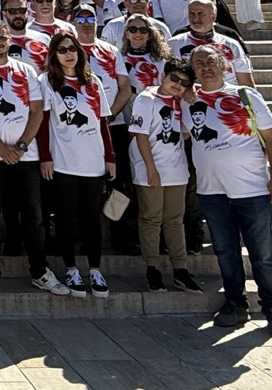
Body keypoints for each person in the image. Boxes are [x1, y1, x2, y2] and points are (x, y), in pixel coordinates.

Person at [187, 45, 272, 339]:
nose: (205, 67)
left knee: (262, 254)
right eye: (198, 63)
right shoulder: (186, 100)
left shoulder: (246, 95)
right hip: (212, 191)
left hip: (252, 189)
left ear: (224, 65)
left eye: (210, 61)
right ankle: (235, 304)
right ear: (192, 70)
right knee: (225, 252)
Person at [37, 33, 115, 298]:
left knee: (91, 218)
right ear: (54, 54)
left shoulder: (93, 82)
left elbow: (102, 122)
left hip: (93, 162)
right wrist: (45, 156)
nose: (68, 54)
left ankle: (95, 269)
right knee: (66, 217)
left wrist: (110, 156)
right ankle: (70, 268)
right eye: (62, 50)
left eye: (72, 49)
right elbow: (42, 123)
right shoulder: (47, 82)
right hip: (63, 163)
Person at [128, 58, 201, 293]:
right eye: (174, 78)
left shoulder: (183, 100)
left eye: (184, 83)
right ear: (163, 76)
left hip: (176, 169)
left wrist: (189, 93)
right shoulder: (146, 99)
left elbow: (186, 132)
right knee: (151, 218)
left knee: (175, 220)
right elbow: (139, 134)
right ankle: (153, 269)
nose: (177, 85)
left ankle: (180, 269)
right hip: (150, 167)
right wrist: (151, 168)